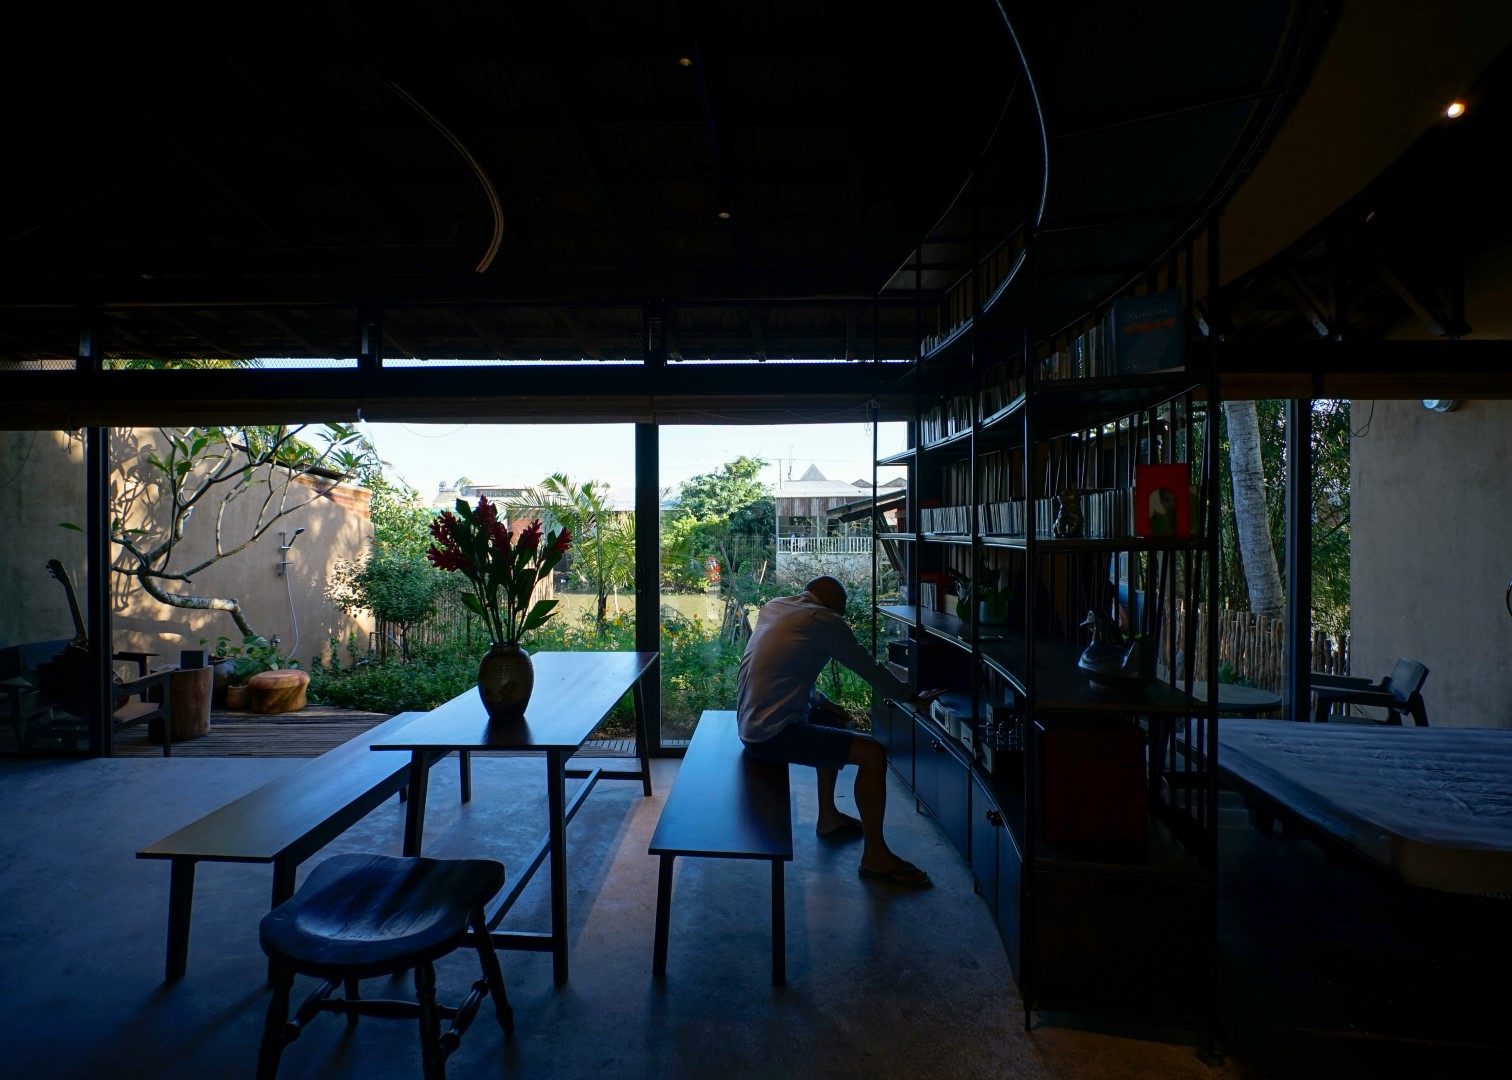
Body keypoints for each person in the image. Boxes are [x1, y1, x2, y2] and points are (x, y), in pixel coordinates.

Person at [736, 575, 944, 889]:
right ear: (835, 604)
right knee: (873, 753)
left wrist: (824, 703)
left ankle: (828, 817)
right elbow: (868, 668)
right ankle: (876, 857)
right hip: (770, 735)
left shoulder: (777, 607)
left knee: (830, 717)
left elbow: (788, 672)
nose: (841, 617)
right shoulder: (823, 619)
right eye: (841, 611)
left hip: (750, 724)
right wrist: (911, 697)